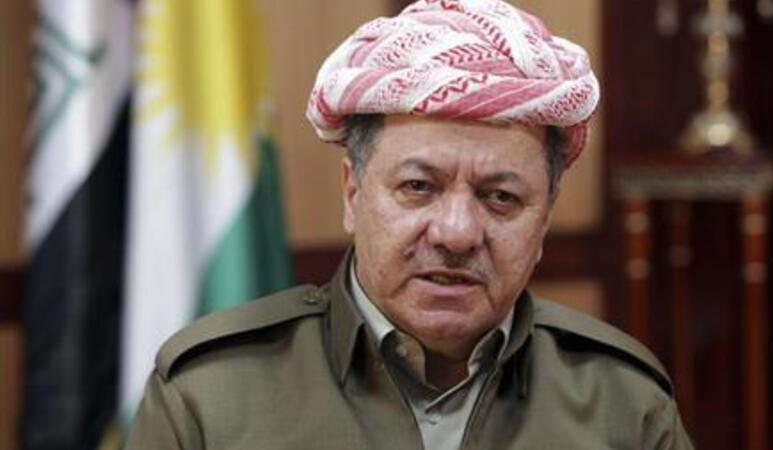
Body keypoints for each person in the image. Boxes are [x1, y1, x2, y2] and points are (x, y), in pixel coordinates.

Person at [125, 1, 693, 449]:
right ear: (353, 193)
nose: (456, 233)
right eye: (419, 187)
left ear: (543, 220)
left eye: (500, 198)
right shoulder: (210, 396)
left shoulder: (624, 404)